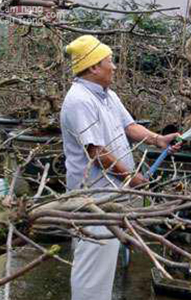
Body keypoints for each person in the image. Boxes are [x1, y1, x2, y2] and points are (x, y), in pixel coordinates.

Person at [60, 35, 181, 300]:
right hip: (93, 197)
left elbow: (129, 127)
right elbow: (96, 152)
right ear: (93, 67)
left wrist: (158, 140)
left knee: (103, 263)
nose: (114, 66)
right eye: (109, 61)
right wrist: (131, 177)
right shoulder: (79, 100)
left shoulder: (108, 95)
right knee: (92, 267)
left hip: (111, 195)